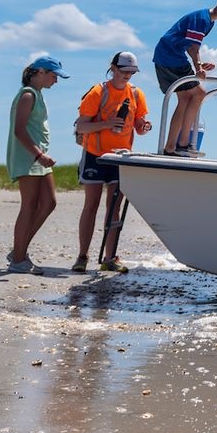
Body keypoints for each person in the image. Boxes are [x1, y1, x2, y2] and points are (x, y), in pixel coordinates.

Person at [73, 51, 152, 273]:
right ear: (114, 68)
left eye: (132, 72)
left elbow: (140, 125)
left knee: (114, 209)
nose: (128, 75)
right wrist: (107, 124)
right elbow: (81, 126)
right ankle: (82, 256)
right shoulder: (98, 92)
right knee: (91, 205)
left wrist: (145, 127)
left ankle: (110, 257)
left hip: (121, 156)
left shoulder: (136, 94)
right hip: (95, 155)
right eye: (125, 71)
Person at [152, 0, 217, 156]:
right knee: (199, 93)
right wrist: (197, 67)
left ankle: (174, 146)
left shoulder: (207, 21)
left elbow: (189, 45)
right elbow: (193, 48)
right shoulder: (202, 20)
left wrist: (200, 65)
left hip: (168, 55)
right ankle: (180, 144)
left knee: (186, 97)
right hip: (171, 56)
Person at [5, 54, 67, 274]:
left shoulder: (38, 94)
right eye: (53, 76)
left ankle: (18, 251)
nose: (56, 81)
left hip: (38, 157)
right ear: (40, 72)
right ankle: (18, 260)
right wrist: (39, 154)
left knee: (49, 202)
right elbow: (19, 130)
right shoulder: (27, 95)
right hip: (28, 157)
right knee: (29, 205)